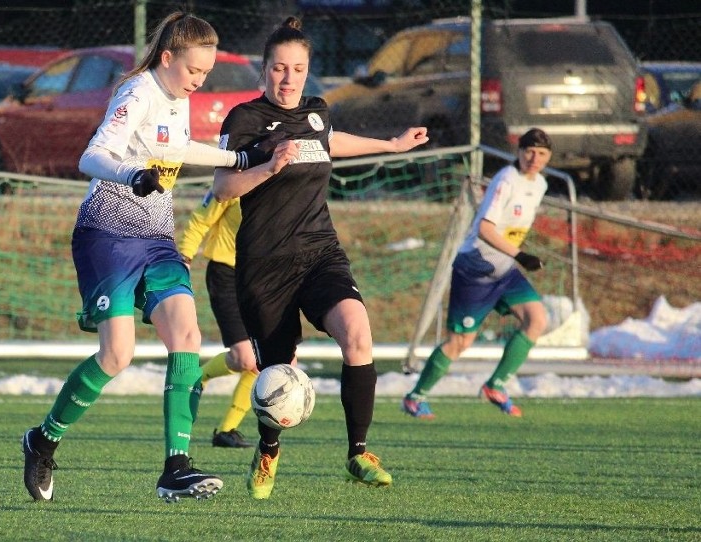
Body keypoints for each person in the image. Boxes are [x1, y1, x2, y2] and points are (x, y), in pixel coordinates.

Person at [20, 11, 268, 503]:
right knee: (117, 356)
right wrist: (133, 174)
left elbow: (178, 148)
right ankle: (42, 440)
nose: (200, 82)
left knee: (187, 335)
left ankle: (176, 467)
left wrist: (242, 158)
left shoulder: (176, 100)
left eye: (206, 74)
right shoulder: (136, 93)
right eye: (194, 71)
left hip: (156, 237)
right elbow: (90, 157)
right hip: (107, 231)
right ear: (168, 57)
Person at [211, 16, 430, 500]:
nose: (288, 79)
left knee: (357, 331)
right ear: (263, 71)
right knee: (278, 368)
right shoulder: (244, 120)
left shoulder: (317, 111)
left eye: (298, 69)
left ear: (307, 71)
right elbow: (222, 187)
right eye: (279, 69)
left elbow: (331, 141)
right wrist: (269, 165)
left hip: (319, 252)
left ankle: (358, 452)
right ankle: (268, 449)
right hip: (265, 265)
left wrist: (391, 145)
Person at [401, 127, 552, 420]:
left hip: (504, 270)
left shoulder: (541, 185)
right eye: (529, 151)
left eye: (542, 154)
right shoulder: (506, 181)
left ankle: (496, 385)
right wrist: (520, 254)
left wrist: (514, 255)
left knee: (537, 319)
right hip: (476, 269)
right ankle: (414, 397)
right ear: (519, 153)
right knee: (460, 343)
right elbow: (484, 228)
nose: (535, 159)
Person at [177, 192, 256, 449]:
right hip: (226, 273)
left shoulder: (285, 183)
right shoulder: (235, 178)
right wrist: (185, 258)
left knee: (265, 360)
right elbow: (201, 219)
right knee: (246, 358)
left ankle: (227, 430)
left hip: (264, 277)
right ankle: (198, 378)